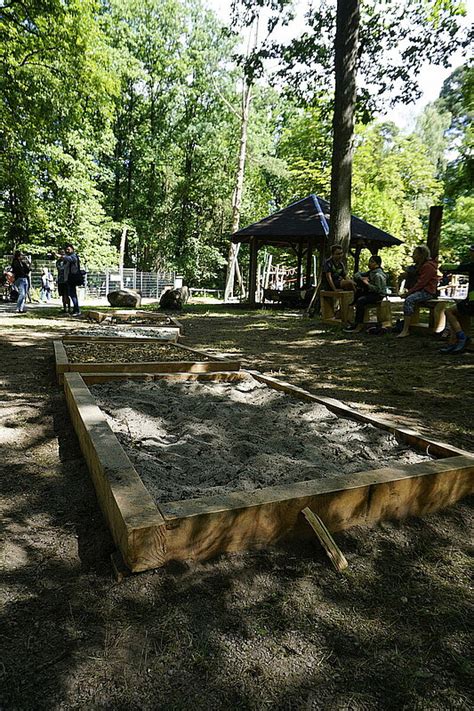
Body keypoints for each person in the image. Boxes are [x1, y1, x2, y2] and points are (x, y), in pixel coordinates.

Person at [396, 245, 438, 339]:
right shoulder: (419, 266)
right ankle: (406, 326)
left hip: (428, 292)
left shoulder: (428, 266)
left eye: (415, 254)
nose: (412, 256)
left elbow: (421, 283)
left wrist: (408, 293)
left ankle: (405, 330)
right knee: (410, 299)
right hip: (421, 290)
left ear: (421, 255)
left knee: (409, 300)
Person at [439, 245, 474, 354]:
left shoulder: (472, 265)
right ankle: (453, 342)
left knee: (448, 311)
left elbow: (453, 267)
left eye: (471, 251)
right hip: (469, 301)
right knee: (458, 312)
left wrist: (441, 266)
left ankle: (462, 337)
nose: (470, 253)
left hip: (472, 302)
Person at [344, 255, 388, 333]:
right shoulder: (370, 272)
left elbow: (378, 290)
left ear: (377, 264)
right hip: (371, 293)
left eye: (372, 262)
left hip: (378, 295)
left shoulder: (378, 275)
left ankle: (359, 325)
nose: (369, 263)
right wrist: (361, 278)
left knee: (361, 301)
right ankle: (356, 322)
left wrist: (367, 284)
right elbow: (357, 274)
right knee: (359, 292)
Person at [54, 243, 82, 316]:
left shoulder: (73, 256)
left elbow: (71, 259)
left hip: (72, 278)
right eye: (66, 249)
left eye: (68, 249)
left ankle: (77, 310)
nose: (67, 250)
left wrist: (61, 256)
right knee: (71, 295)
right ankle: (75, 309)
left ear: (72, 249)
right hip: (68, 278)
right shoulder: (67, 258)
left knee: (72, 295)